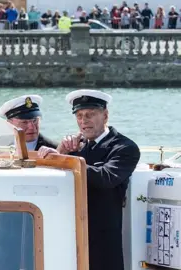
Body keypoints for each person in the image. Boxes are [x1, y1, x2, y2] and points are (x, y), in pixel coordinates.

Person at [38, 89, 140, 270]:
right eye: (79, 116)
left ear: (105, 115)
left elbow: (106, 177)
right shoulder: (75, 146)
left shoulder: (124, 147)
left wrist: (64, 159)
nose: (84, 121)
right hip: (69, 234)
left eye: (90, 115)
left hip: (103, 240)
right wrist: (61, 150)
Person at [0, 94, 57, 270]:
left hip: (39, 225)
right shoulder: (1, 145)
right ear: (10, 124)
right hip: (7, 227)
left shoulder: (54, 149)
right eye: (24, 122)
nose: (31, 127)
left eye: (35, 121)